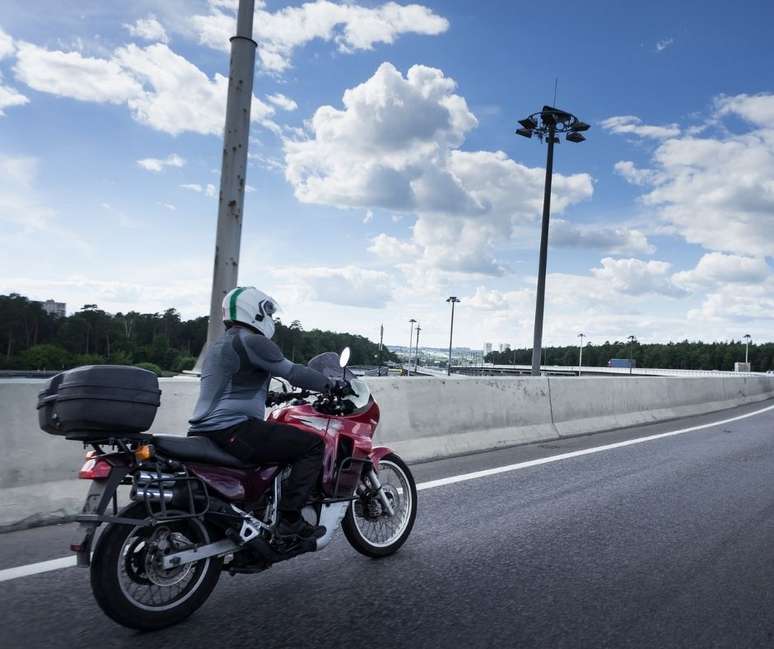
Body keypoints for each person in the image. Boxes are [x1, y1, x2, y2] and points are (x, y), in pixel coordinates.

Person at [188, 286, 342, 540]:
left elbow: (232, 385)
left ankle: (257, 514)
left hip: (204, 430)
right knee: (313, 445)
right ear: (255, 312)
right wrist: (332, 385)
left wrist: (271, 397)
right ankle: (290, 520)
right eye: (268, 312)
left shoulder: (219, 345)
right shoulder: (252, 341)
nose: (271, 319)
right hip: (233, 429)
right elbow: (293, 372)